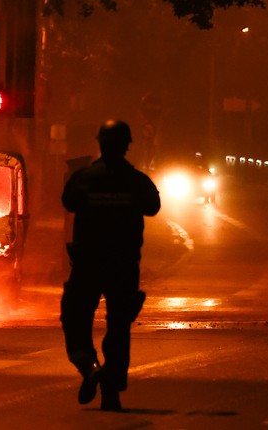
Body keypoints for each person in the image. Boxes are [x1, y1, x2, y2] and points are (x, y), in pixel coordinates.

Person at [60, 120, 161, 411]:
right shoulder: (137, 180)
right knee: (118, 328)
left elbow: (68, 202)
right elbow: (153, 207)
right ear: (127, 145)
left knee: (76, 319)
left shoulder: (84, 177)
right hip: (123, 265)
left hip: (88, 263)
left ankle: (88, 367)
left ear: (100, 143)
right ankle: (111, 391)